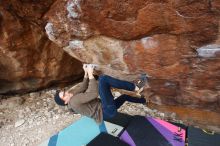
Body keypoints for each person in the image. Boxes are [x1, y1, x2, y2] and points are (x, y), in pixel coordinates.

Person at [54, 64, 148, 124]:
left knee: (124, 97)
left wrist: (86, 73)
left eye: (64, 91)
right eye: (64, 95)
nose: (66, 92)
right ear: (65, 102)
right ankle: (136, 87)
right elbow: (94, 93)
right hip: (106, 110)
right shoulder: (74, 101)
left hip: (106, 112)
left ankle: (144, 100)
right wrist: (91, 75)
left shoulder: (71, 96)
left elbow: (82, 87)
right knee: (103, 79)